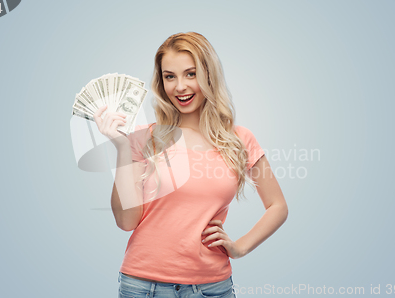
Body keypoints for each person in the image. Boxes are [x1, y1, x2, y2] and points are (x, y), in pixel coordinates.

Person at [94, 32, 288, 298]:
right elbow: (126, 221)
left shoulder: (239, 139)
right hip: (142, 286)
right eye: (169, 76)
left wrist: (240, 247)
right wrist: (122, 149)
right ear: (161, 83)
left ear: (208, 76)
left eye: (190, 74)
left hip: (211, 287)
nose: (180, 87)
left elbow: (278, 206)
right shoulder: (144, 138)